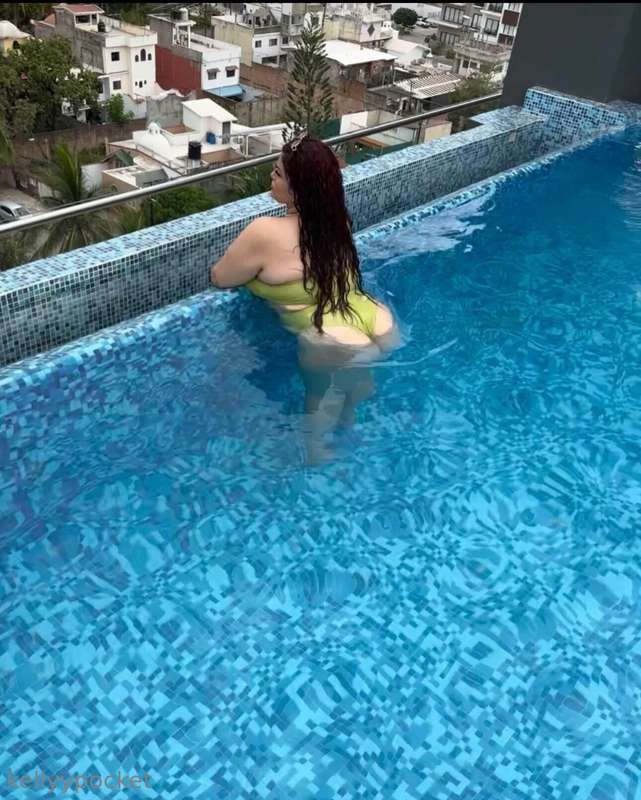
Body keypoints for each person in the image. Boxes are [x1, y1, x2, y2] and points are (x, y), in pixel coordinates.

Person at [210, 131, 398, 463]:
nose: (271, 176)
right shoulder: (337, 220)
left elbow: (220, 278)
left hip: (330, 334)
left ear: (298, 189)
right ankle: (349, 423)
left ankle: (315, 459)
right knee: (349, 396)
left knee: (319, 407)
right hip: (371, 314)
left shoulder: (264, 232)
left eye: (278, 173)